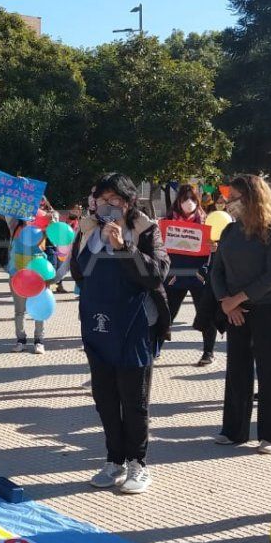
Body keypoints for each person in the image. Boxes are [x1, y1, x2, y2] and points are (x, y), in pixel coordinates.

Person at [69, 173, 169, 495]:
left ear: (128, 202)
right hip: (98, 325)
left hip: (134, 327)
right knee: (105, 399)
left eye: (114, 199)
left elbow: (156, 274)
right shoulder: (87, 230)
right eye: (102, 199)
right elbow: (78, 272)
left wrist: (124, 247)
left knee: (134, 400)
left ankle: (138, 463)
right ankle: (114, 460)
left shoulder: (145, 230)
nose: (107, 205)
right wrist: (95, 240)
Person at [210, 175, 271, 454]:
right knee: (237, 368)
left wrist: (238, 298)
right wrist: (226, 302)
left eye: (233, 197)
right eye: (228, 197)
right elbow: (216, 269)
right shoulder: (230, 231)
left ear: (252, 198)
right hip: (234, 308)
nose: (228, 202)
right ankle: (233, 430)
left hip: (267, 304)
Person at [164, 184, 218, 367]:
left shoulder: (207, 222)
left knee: (205, 314)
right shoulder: (168, 221)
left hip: (199, 276)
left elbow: (218, 250)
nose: (189, 202)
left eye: (193, 198)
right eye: (185, 198)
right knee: (166, 313)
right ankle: (155, 348)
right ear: (178, 200)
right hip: (175, 275)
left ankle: (208, 352)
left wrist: (215, 248)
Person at [7, 214, 50, 354]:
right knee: (19, 311)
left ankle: (39, 341)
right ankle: (21, 340)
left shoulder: (41, 229)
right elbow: (8, 210)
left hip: (37, 276)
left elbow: (54, 221)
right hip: (18, 277)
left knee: (39, 310)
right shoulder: (15, 228)